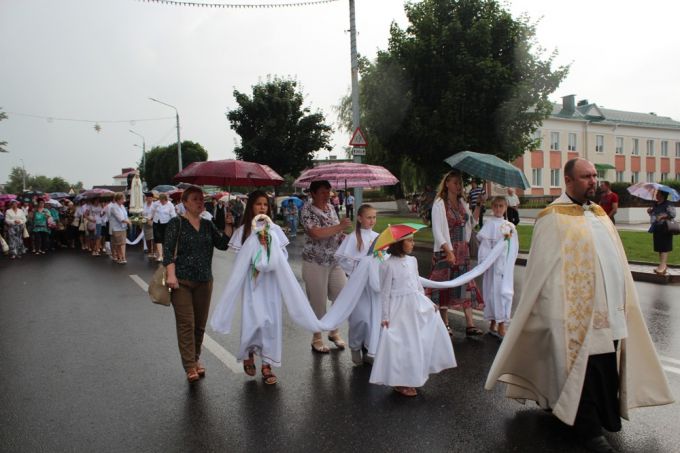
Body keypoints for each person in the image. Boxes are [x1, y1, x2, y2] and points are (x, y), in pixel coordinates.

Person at [485, 158, 674, 453]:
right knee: (581, 369)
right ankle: (587, 430)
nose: (593, 181)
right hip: (572, 312)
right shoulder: (552, 217)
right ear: (568, 180)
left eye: (595, 176)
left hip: (609, 309)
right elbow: (541, 271)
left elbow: (616, 263)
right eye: (586, 176)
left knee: (604, 368)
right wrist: (550, 309)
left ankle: (599, 418)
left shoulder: (599, 214)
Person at [213, 191, 288, 385]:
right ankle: (248, 353)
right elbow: (240, 262)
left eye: (265, 204)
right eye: (258, 204)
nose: (262, 207)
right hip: (253, 284)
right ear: (251, 208)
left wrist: (268, 247)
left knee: (269, 322)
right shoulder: (244, 231)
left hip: (270, 284)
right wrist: (256, 247)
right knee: (254, 321)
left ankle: (267, 364)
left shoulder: (275, 230)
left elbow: (283, 258)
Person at [369, 234, 457, 397]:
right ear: (398, 243)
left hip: (413, 304)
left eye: (413, 239)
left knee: (415, 342)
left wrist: (428, 303)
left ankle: (412, 376)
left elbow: (417, 286)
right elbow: (385, 293)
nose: (413, 243)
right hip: (398, 308)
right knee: (401, 344)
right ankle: (400, 382)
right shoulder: (387, 265)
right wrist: (385, 316)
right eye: (409, 240)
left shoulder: (412, 261)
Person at [164, 186, 232, 383]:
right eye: (195, 199)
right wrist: (171, 275)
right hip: (181, 282)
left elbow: (222, 245)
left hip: (204, 281)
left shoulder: (207, 224)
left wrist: (228, 226)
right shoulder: (176, 223)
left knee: (199, 325)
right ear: (185, 202)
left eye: (201, 199)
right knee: (187, 323)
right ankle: (189, 366)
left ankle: (195, 359)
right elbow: (168, 252)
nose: (200, 202)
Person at [427, 170, 484, 336]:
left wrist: (478, 205)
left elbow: (471, 223)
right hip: (446, 249)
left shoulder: (462, 202)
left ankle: (470, 324)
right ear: (447, 184)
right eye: (455, 183)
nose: (458, 186)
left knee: (464, 283)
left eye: (460, 183)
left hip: (462, 250)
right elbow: (437, 230)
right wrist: (448, 251)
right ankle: (444, 323)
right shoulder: (440, 203)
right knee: (443, 285)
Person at [301, 180, 353, 353]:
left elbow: (334, 231)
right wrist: (339, 227)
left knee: (341, 296)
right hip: (315, 261)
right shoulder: (306, 210)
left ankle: (334, 332)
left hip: (334, 260)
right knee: (318, 301)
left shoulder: (330, 208)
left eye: (328, 192)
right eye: (323, 192)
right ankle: (317, 337)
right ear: (313, 193)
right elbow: (315, 233)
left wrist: (342, 235)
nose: (327, 195)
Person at [334, 204, 379, 365]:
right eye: (369, 217)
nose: (372, 220)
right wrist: (360, 265)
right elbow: (342, 258)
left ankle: (369, 348)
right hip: (358, 285)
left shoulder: (378, 236)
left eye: (374, 217)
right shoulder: (352, 237)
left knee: (373, 317)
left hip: (373, 284)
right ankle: (355, 346)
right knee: (361, 317)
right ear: (360, 218)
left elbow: (383, 259)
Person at [477, 197, 518, 339]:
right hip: (491, 265)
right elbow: (484, 247)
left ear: (506, 207)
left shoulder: (508, 226)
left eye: (501, 206)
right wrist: (485, 261)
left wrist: (506, 260)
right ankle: (493, 322)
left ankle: (501, 323)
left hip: (503, 266)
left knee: (502, 293)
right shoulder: (489, 224)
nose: (498, 209)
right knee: (490, 293)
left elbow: (512, 246)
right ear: (492, 207)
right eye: (495, 206)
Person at [647, 189, 676, 276]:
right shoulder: (655, 204)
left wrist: (663, 216)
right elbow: (654, 215)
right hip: (656, 227)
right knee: (659, 247)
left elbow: (673, 214)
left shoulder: (668, 203)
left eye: (658, 193)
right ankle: (662, 265)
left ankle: (663, 266)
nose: (656, 194)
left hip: (665, 227)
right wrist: (650, 212)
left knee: (664, 247)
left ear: (662, 195)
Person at [152, 193, 176, 263]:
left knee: (165, 239)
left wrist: (174, 223)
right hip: (157, 222)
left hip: (166, 223)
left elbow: (173, 215)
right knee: (158, 238)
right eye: (160, 200)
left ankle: (166, 255)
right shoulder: (156, 204)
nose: (161, 202)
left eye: (163, 201)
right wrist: (149, 218)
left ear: (166, 200)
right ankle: (160, 255)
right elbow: (152, 211)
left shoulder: (170, 205)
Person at [109, 193, 131, 264]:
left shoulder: (122, 206)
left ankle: (123, 257)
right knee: (119, 244)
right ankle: (120, 257)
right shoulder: (113, 207)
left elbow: (126, 216)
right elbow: (120, 218)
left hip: (123, 227)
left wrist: (129, 221)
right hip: (116, 228)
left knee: (123, 243)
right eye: (122, 199)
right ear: (118, 199)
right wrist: (128, 222)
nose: (123, 200)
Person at [142, 193, 156, 259]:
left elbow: (156, 213)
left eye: (150, 198)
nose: (149, 199)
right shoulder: (144, 205)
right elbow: (142, 213)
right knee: (148, 238)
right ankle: (150, 251)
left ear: (153, 198)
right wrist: (144, 218)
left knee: (153, 238)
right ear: (146, 198)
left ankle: (154, 252)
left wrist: (150, 218)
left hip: (153, 222)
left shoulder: (155, 205)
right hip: (145, 223)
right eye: (148, 198)